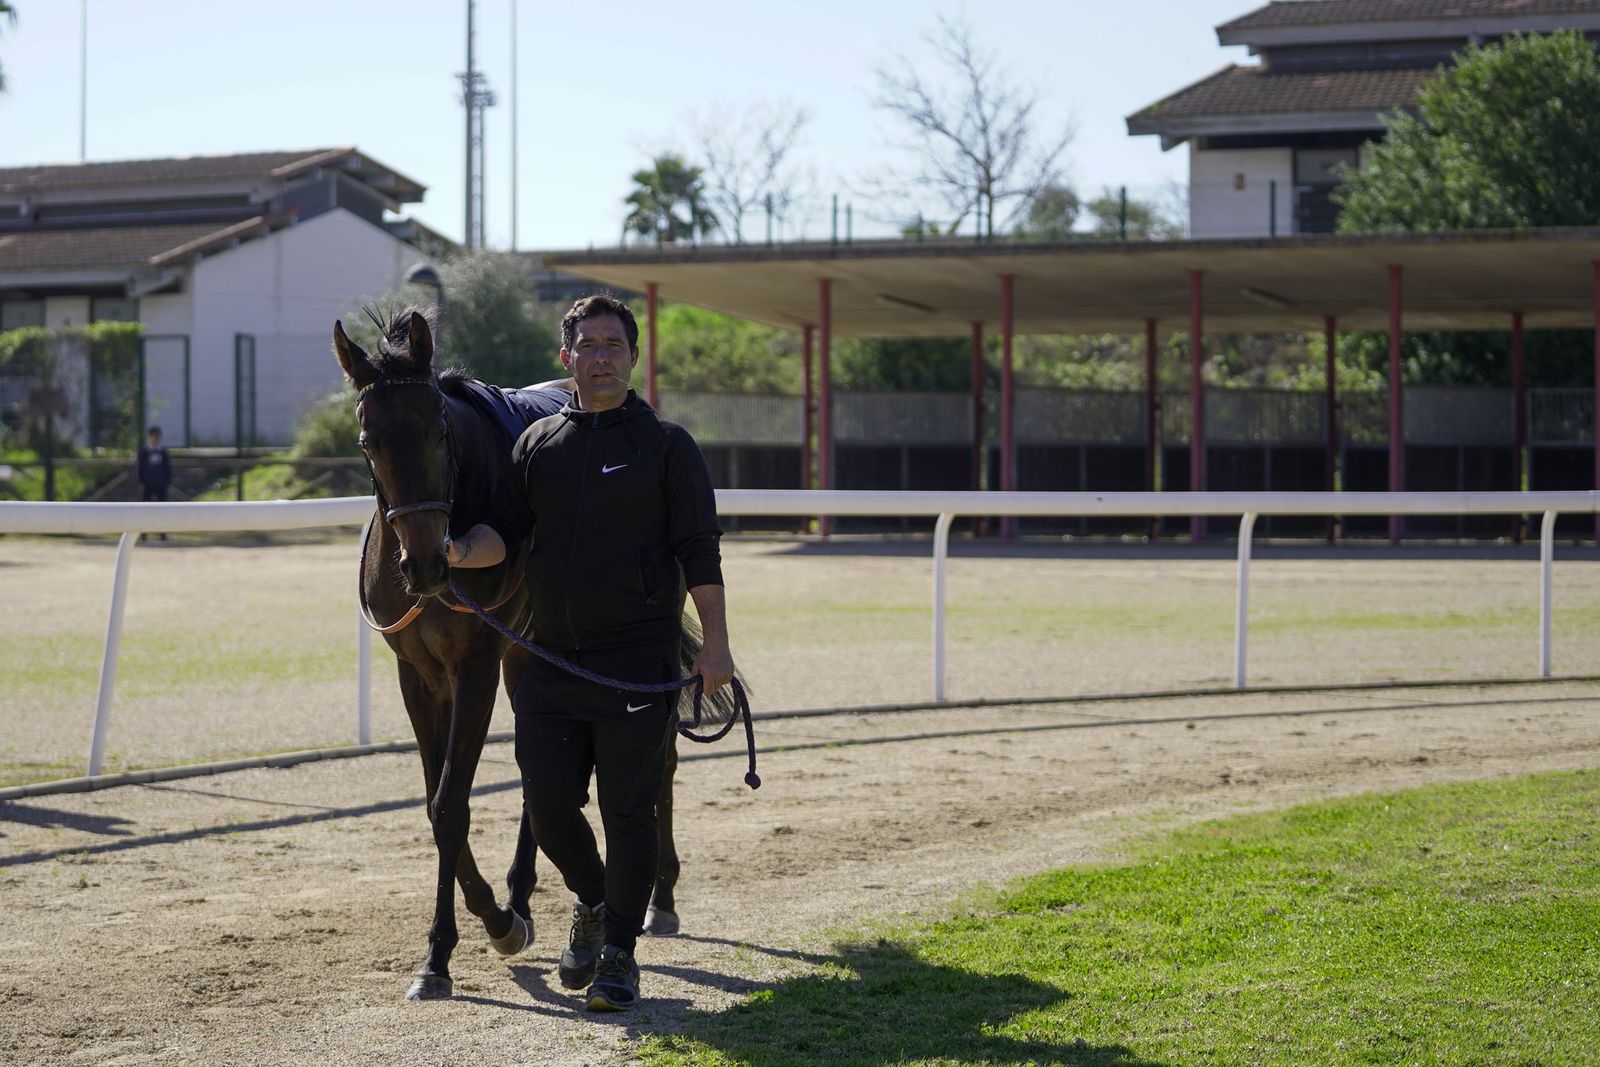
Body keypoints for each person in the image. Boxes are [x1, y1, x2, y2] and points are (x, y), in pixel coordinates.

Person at [447, 293, 733, 1012]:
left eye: (614, 344)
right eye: (588, 345)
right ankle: (598, 901)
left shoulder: (668, 447)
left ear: (632, 357)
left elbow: (699, 551)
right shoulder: (537, 446)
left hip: (639, 662)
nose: (601, 356)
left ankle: (619, 956)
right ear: (566, 358)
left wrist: (717, 647)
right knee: (546, 809)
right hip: (550, 663)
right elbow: (503, 536)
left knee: (629, 813)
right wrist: (451, 551)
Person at [136, 425, 170, 540]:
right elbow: (140, 468)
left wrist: (167, 481)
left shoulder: (163, 452)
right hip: (147, 484)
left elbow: (167, 468)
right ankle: (144, 533)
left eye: (157, 436)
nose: (155, 438)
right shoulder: (145, 451)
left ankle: (162, 533)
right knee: (145, 509)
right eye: (153, 436)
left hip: (160, 484)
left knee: (162, 510)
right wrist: (140, 482)